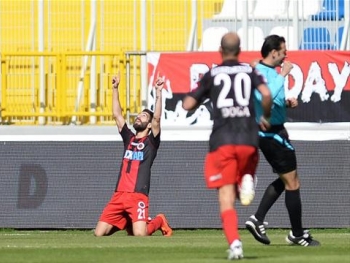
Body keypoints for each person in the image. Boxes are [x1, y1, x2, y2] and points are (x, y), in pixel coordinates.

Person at [182, 32, 272, 260]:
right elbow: (266, 93)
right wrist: (266, 116)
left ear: (220, 51)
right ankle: (248, 177)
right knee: (247, 163)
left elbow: (187, 104)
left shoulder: (212, 74)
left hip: (223, 141)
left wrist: (203, 95)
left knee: (225, 197)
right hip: (249, 138)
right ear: (239, 50)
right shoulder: (249, 70)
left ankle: (235, 244)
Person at [245, 35, 320, 247]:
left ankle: (258, 219)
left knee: (286, 180)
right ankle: (296, 234)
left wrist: (285, 104)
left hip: (274, 132)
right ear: (274, 52)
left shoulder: (267, 72)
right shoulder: (261, 72)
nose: (286, 54)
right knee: (292, 182)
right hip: (272, 135)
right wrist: (284, 75)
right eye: (283, 50)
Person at [94, 74, 173, 237]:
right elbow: (117, 115)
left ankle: (159, 220)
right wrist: (115, 89)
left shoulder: (151, 142)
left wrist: (158, 93)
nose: (138, 117)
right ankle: (129, 220)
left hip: (138, 195)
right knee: (99, 234)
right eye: (138, 115)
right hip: (119, 195)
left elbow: (157, 118)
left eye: (143, 116)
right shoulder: (128, 138)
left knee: (140, 235)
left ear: (149, 125)